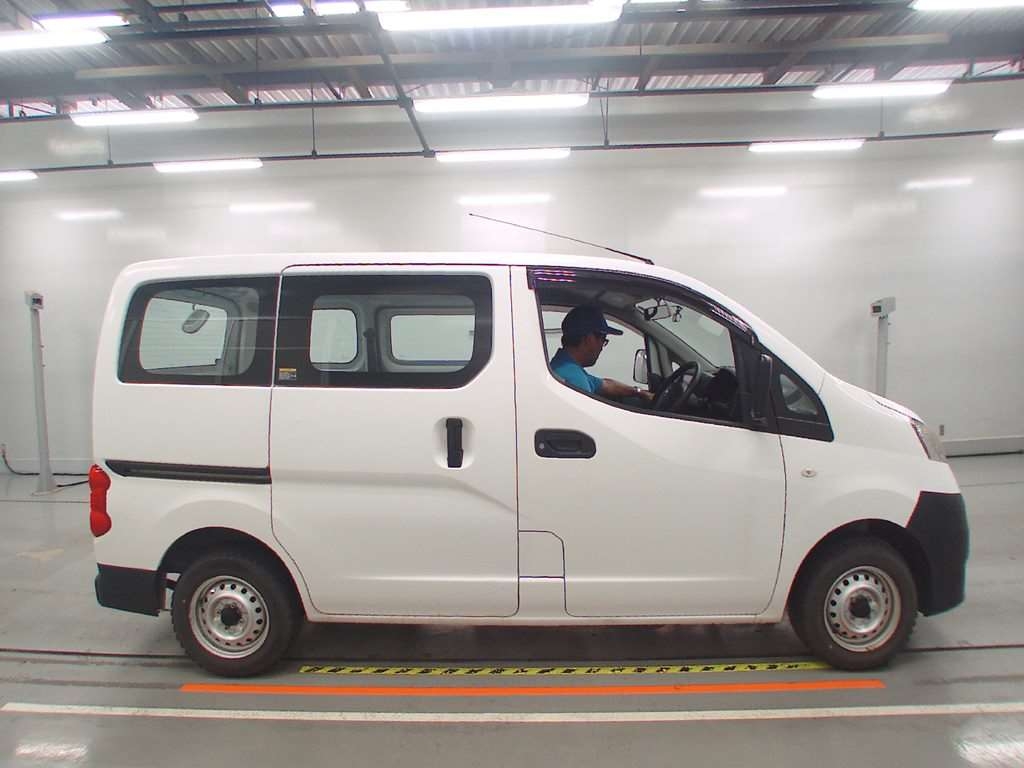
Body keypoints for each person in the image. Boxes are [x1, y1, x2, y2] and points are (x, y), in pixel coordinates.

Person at [550, 306, 654, 402]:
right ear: (589, 338)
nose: (601, 348)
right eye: (603, 340)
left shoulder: (563, 366)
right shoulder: (575, 380)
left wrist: (639, 392)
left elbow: (606, 385)